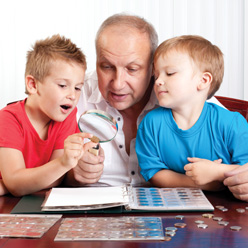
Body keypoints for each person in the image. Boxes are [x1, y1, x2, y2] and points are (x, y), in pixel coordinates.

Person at [65, 14, 224, 188]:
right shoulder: (73, 94)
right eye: (107, 67)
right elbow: (39, 162)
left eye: (132, 69)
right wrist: (72, 174)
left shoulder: (183, 96)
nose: (118, 83)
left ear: (153, 68)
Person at [135, 35, 248, 191]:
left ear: (203, 81)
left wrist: (217, 172)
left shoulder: (232, 124)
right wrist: (198, 183)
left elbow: (245, 171)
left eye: (170, 73)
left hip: (228, 209)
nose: (158, 81)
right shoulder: (151, 124)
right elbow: (154, 173)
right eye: (156, 75)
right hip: (174, 207)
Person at [0, 34, 97, 196]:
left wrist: (6, 186)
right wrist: (63, 164)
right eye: (63, 85)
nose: (72, 95)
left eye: (78, 88)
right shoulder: (8, 119)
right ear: (33, 85)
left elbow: (55, 179)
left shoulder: (66, 115)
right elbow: (16, 184)